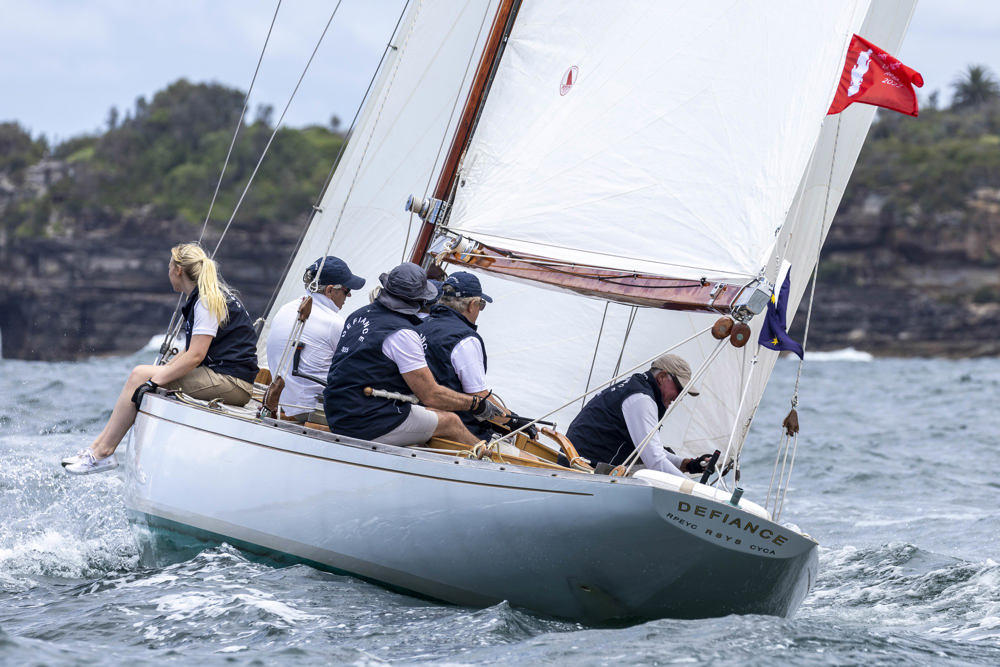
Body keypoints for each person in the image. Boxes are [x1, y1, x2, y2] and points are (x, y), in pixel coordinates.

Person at [62, 242, 260, 475]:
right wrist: (160, 373)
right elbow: (189, 353)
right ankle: (95, 449)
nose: (167, 273)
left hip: (233, 383)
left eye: (169, 267)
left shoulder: (206, 301)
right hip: (226, 377)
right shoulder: (207, 297)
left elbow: (197, 355)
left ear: (178, 270)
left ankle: (103, 452)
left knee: (140, 375)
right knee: (141, 374)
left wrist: (153, 382)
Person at [323, 262, 502, 446]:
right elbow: (431, 395)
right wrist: (476, 404)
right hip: (366, 422)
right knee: (452, 422)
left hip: (336, 412)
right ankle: (485, 459)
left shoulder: (358, 314)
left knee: (431, 414)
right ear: (421, 300)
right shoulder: (402, 333)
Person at [566, 354, 715, 477]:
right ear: (662, 377)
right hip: (580, 472)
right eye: (680, 388)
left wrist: (688, 465)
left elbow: (651, 450)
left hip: (579, 467)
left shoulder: (637, 389)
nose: (680, 396)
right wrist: (693, 490)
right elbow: (654, 461)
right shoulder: (641, 399)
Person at [265, 256, 365, 424]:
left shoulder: (285, 309)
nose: (349, 296)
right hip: (311, 410)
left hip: (282, 403)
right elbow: (357, 371)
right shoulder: (335, 323)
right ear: (330, 290)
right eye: (347, 291)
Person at [420, 271, 509, 441]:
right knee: (535, 463)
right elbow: (479, 398)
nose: (479, 310)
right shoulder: (465, 340)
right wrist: (514, 422)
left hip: (419, 422)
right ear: (472, 305)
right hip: (458, 434)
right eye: (481, 305)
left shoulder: (419, 326)